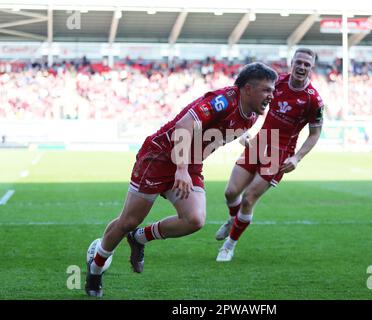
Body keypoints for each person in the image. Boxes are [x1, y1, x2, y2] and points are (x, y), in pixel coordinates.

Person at [85, 62, 277, 297]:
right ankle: (95, 269)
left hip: (190, 163)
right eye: (267, 89)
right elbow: (183, 126)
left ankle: (139, 239)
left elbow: (228, 128)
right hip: (160, 157)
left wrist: (248, 141)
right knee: (128, 220)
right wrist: (181, 170)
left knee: (195, 219)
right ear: (248, 88)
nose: (272, 95)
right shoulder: (223, 100)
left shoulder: (253, 114)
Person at [214, 48, 324, 262]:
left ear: (312, 68)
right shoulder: (276, 83)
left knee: (248, 199)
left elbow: (315, 133)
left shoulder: (313, 101)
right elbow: (253, 105)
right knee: (230, 192)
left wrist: (297, 157)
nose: (302, 67)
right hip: (259, 142)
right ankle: (232, 219)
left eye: (306, 64)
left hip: (279, 154)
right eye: (298, 62)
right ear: (292, 63)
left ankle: (229, 245)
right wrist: (245, 131)